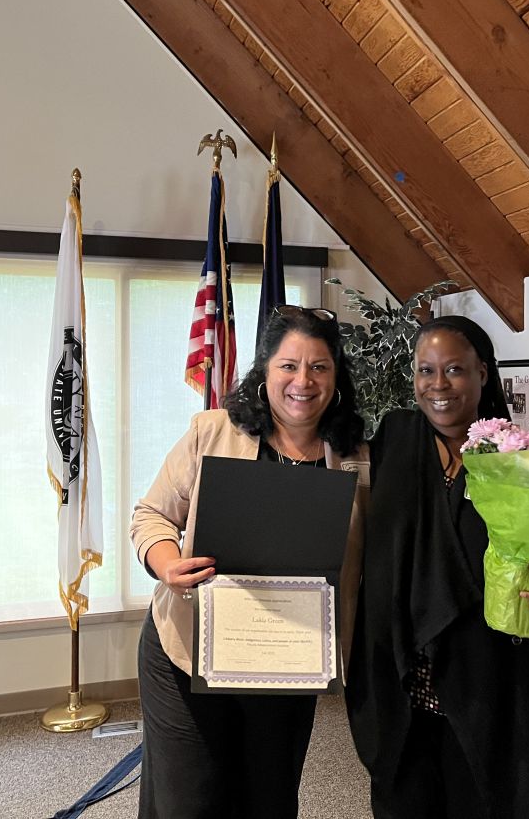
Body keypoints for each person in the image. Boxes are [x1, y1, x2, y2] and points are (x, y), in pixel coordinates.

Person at [346, 315, 529, 819]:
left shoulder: (520, 459)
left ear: (483, 372)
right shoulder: (393, 439)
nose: (438, 385)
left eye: (454, 370)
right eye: (425, 371)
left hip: (490, 687)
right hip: (401, 680)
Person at [130, 305, 368, 819]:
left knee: (269, 801)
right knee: (187, 802)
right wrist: (168, 564)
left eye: (319, 367)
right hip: (189, 650)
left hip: (288, 663)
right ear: (264, 372)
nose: (302, 381)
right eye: (288, 365)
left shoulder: (358, 458)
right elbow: (150, 515)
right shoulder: (212, 432)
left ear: (336, 377)